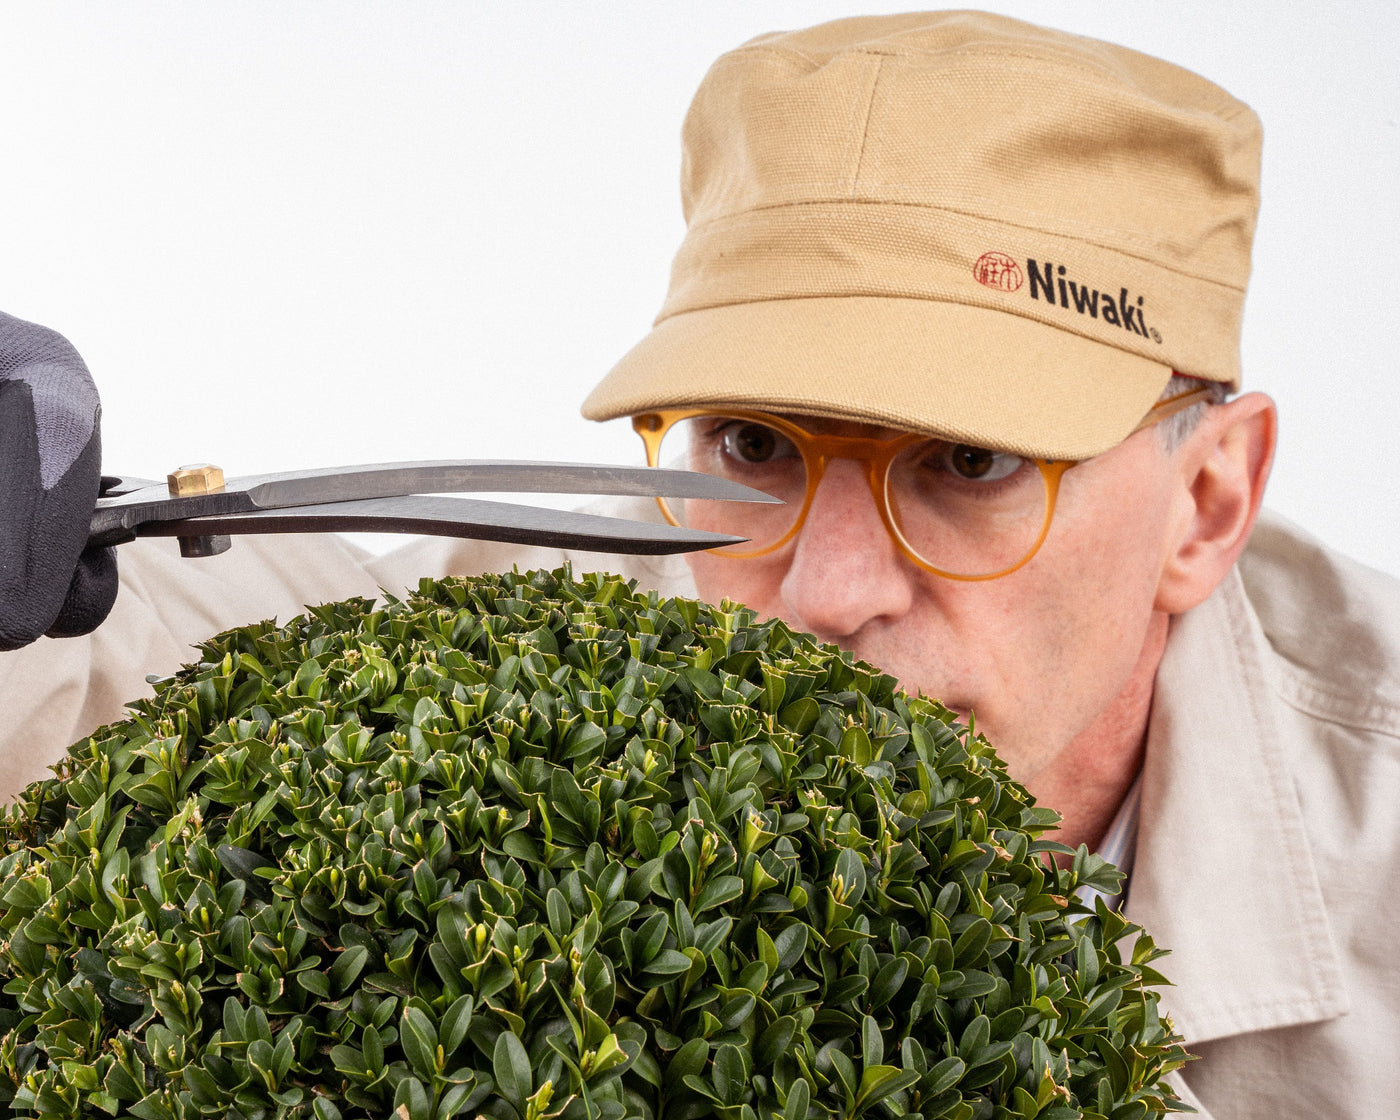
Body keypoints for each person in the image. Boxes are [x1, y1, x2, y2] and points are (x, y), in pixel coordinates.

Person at [2, 11, 1397, 1117]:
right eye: (757, 445)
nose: (825, 592)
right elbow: (163, 657)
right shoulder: (593, 626)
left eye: (967, 463)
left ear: (1206, 504)